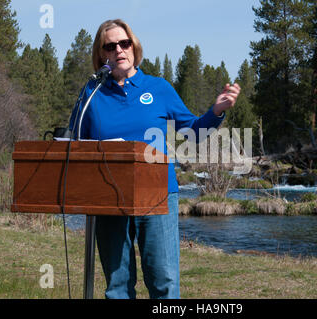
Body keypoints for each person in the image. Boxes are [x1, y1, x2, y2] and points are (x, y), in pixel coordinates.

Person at [69, 19, 240, 299]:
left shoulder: (159, 88)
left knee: (164, 283)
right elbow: (76, 145)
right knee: (117, 286)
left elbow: (193, 134)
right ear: (101, 55)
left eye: (124, 43)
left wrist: (216, 112)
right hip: (109, 198)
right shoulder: (91, 93)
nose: (118, 50)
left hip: (158, 194)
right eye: (109, 46)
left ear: (134, 47)